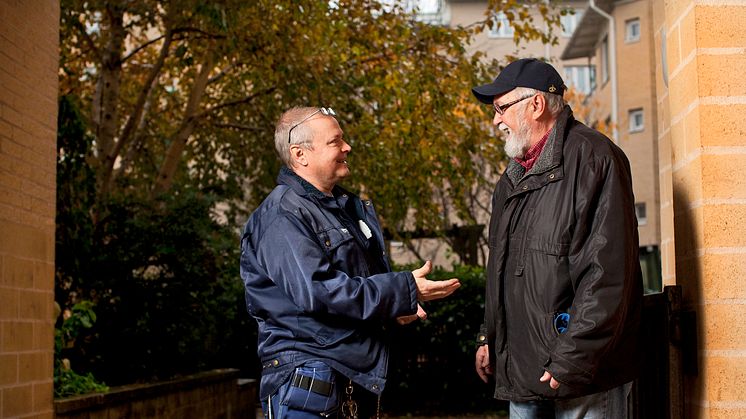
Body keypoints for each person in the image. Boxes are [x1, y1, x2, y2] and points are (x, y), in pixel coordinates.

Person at [240, 106, 461, 418]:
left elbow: (356, 288)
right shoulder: (282, 215)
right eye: (335, 142)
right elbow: (322, 292)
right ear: (300, 154)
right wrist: (402, 289)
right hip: (310, 383)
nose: (347, 148)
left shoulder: (343, 209)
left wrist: (392, 308)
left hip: (347, 378)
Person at [471, 58, 643, 418]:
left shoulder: (596, 158)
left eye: (501, 108)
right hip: (522, 372)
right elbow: (501, 270)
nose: (496, 120)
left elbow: (608, 276)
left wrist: (573, 359)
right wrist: (490, 337)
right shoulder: (511, 178)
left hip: (582, 375)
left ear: (535, 105)